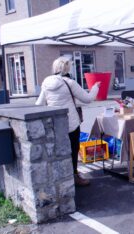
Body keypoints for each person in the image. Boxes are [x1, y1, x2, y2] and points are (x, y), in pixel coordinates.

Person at [36, 56, 101, 186]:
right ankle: (75, 177)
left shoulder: (46, 83)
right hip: (71, 123)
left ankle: (61, 177)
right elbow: (88, 99)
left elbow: (39, 103)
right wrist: (95, 87)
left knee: (58, 151)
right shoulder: (69, 83)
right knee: (73, 150)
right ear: (67, 68)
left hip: (54, 124)